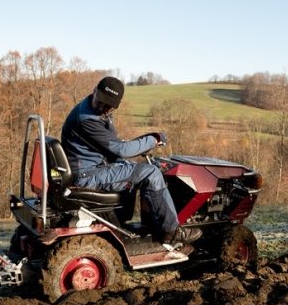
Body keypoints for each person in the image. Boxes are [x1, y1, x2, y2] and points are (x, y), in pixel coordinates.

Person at [60, 76, 201, 246]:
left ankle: (144, 225)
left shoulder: (95, 111)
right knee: (151, 172)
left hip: (91, 167)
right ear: (94, 90)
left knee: (140, 168)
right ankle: (171, 231)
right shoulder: (87, 119)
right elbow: (121, 150)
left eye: (108, 106)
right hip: (88, 175)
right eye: (101, 101)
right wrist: (153, 140)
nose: (103, 107)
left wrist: (133, 147)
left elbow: (112, 145)